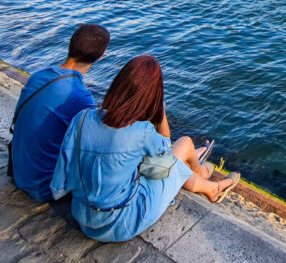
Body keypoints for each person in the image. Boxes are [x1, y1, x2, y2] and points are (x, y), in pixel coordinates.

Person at [51, 54, 239, 242]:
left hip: (83, 216)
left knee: (170, 155)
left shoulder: (82, 119)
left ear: (118, 85)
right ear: (152, 95)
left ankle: (204, 178)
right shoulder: (142, 132)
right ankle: (207, 180)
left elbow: (58, 185)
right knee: (176, 159)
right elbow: (167, 158)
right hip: (121, 223)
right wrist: (160, 112)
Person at [9, 24, 110, 202]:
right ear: (101, 56)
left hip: (19, 172)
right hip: (45, 186)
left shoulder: (38, 75)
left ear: (70, 45)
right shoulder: (80, 97)